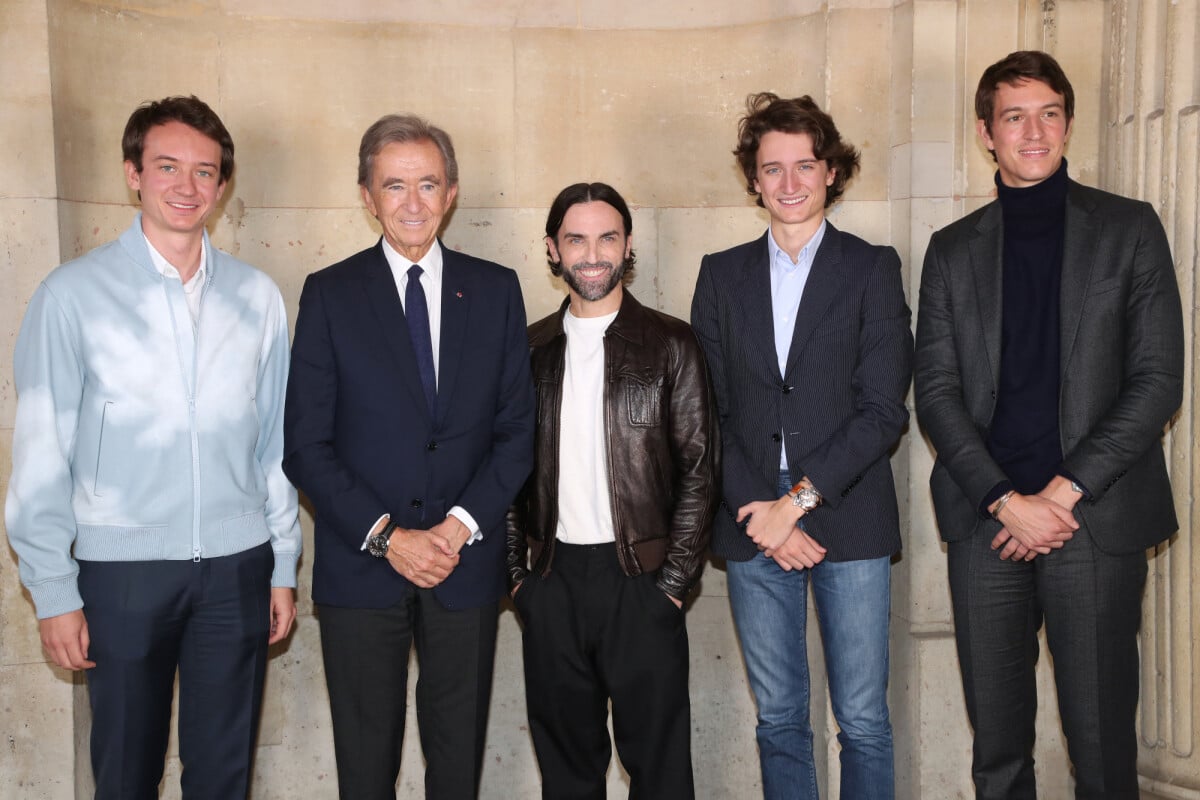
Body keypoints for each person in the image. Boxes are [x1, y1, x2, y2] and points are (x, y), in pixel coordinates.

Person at [5, 95, 301, 799]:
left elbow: (274, 444)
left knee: (224, 776)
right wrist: (52, 590)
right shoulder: (70, 294)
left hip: (236, 569)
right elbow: (41, 452)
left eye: (205, 172)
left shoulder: (257, 298)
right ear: (133, 173)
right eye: (168, 166)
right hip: (121, 576)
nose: (187, 186)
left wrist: (282, 562)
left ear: (222, 186)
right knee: (126, 773)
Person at [913, 50, 1183, 799]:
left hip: (1092, 521)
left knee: (1101, 750)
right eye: (1014, 116)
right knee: (997, 753)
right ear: (986, 133)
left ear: (1067, 122)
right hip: (987, 523)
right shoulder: (952, 250)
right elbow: (935, 393)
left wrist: (1062, 493)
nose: (1034, 131)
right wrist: (1005, 499)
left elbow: (1158, 379)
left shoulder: (1129, 229)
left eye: (1050, 113)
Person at [283, 113, 535, 800]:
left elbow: (517, 432)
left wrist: (456, 528)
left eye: (428, 184)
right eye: (395, 186)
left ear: (452, 192)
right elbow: (305, 445)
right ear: (367, 196)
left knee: (457, 769)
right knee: (365, 770)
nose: (413, 203)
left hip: (465, 565)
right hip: (362, 571)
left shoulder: (496, 290)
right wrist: (389, 537)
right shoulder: (330, 295)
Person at [690, 93, 912, 799]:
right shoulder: (721, 275)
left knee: (863, 719)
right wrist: (765, 509)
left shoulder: (873, 268)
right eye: (772, 168)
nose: (790, 183)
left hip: (847, 514)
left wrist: (799, 503)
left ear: (832, 172)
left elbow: (883, 411)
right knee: (781, 719)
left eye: (805, 166)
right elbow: (705, 412)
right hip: (752, 518)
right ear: (753, 179)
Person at [506, 182, 718, 799]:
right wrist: (519, 582)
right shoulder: (526, 350)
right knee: (568, 775)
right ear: (552, 249)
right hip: (552, 583)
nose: (592, 254)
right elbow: (505, 474)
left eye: (607, 238)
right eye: (576, 239)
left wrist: (673, 586)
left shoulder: (671, 344)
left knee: (660, 773)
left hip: (643, 583)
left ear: (628, 246)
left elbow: (701, 470)